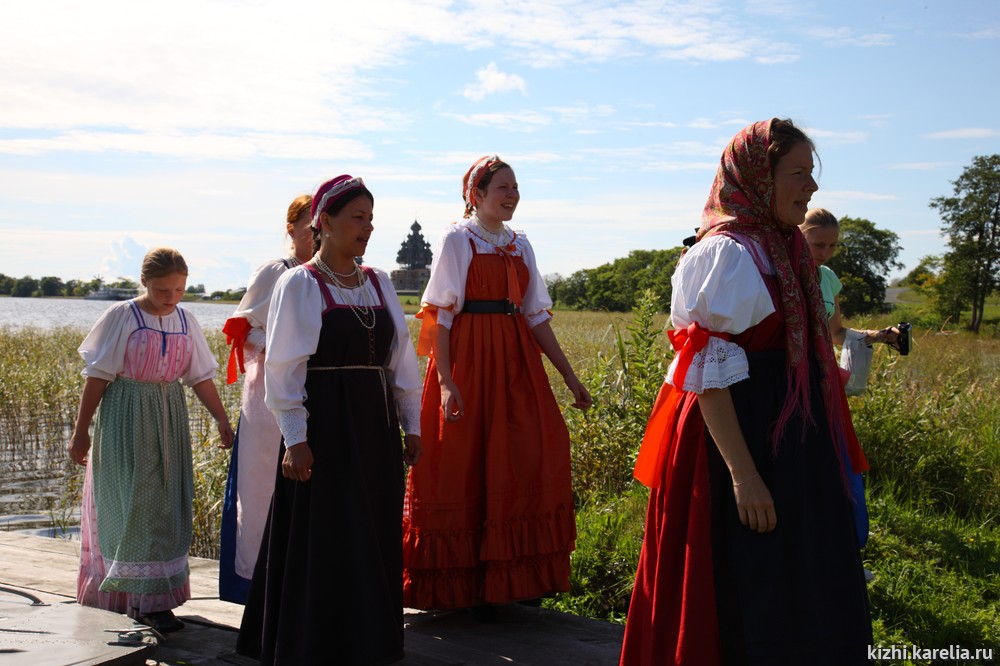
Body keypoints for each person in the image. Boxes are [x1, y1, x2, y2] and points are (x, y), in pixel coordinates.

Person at [620, 119, 873, 665]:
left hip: (791, 436)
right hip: (734, 438)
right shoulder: (727, 254)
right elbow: (707, 374)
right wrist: (745, 475)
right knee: (740, 580)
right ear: (757, 177)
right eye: (798, 173)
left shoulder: (787, 247)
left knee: (803, 576)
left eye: (813, 173)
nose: (811, 187)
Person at [236, 175, 422, 665]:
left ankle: (367, 639)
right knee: (328, 529)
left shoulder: (379, 282)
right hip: (326, 425)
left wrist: (413, 423)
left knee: (373, 525)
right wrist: (296, 439)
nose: (368, 227)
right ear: (326, 223)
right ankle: (315, 641)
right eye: (357, 217)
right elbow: (283, 368)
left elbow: (401, 360)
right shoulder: (300, 284)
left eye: (371, 218)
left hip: (375, 426)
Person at [401, 155, 592, 617]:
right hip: (467, 361)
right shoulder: (457, 239)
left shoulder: (520, 244)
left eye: (515, 187)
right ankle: (459, 586)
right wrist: (446, 382)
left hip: (515, 362)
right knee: (461, 462)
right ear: (476, 195)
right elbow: (441, 315)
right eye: (502, 187)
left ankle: (513, 582)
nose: (512, 195)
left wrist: (568, 376)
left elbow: (535, 316)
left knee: (531, 449)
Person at [69, 247, 234, 634]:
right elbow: (97, 377)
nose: (171, 297)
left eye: (178, 289)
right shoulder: (122, 316)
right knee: (135, 504)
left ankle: (157, 599)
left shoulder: (185, 320)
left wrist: (222, 418)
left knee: (167, 503)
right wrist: (80, 432)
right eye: (163, 290)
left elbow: (199, 377)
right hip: (127, 414)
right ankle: (133, 599)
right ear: (144, 282)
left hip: (168, 414)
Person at [218, 193, 315, 604]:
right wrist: (288, 344)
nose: (317, 232)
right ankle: (255, 587)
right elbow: (244, 330)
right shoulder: (277, 272)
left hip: (314, 393)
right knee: (261, 489)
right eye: (309, 225)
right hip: (267, 398)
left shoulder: (336, 274)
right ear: (291, 229)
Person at [800, 207, 901, 560]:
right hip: (792, 379)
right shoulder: (783, 268)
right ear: (800, 235)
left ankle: (840, 551)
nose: (824, 253)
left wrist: (880, 336)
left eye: (832, 246)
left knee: (837, 466)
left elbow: (837, 332)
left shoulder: (827, 277)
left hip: (824, 381)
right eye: (818, 244)